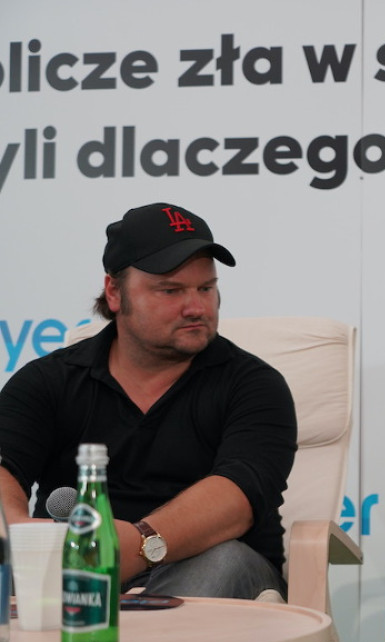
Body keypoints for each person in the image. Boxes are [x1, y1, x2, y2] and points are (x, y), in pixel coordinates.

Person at [0, 202, 296, 600]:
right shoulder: (47, 381)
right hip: (76, 571)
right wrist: (15, 530)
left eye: (206, 288)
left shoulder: (254, 385)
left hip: (208, 567)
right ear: (115, 292)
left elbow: (236, 498)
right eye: (171, 290)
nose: (196, 307)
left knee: (222, 560)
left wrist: (140, 544)